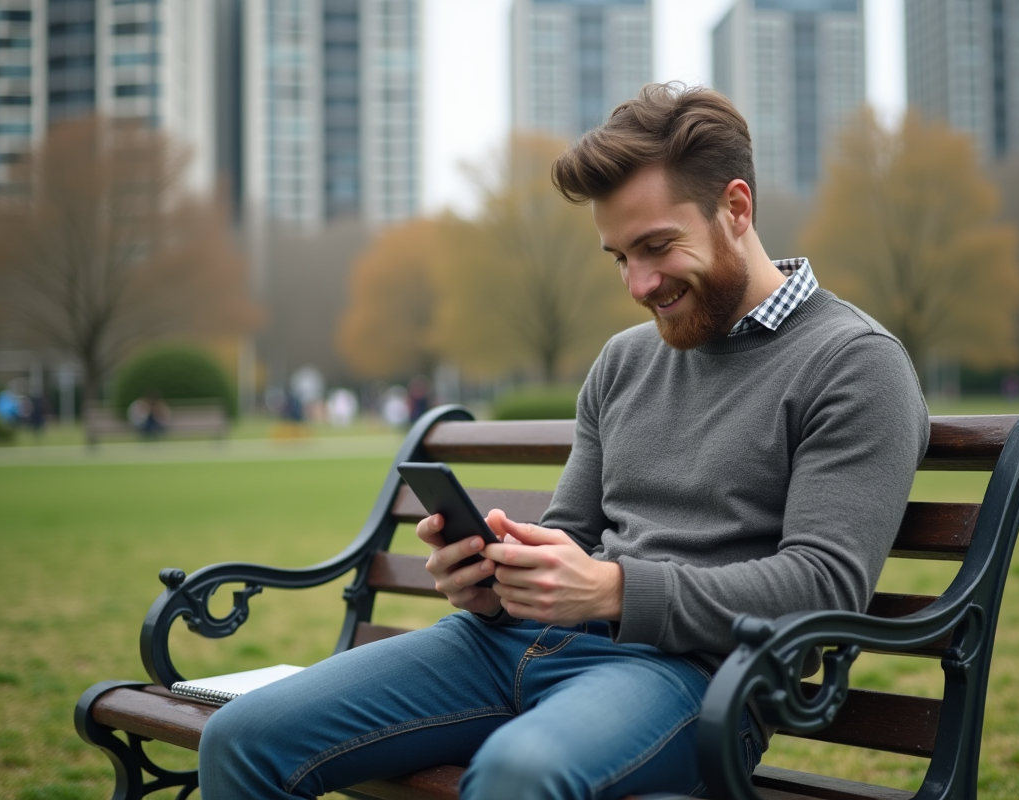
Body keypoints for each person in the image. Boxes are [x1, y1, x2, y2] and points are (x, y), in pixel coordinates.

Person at [198, 83, 929, 799]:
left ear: (735, 208)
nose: (638, 285)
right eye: (618, 257)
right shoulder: (625, 361)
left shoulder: (854, 364)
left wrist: (613, 588)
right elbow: (570, 535)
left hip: (694, 681)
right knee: (242, 738)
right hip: (509, 647)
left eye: (656, 247)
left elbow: (824, 585)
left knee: (521, 777)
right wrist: (492, 580)